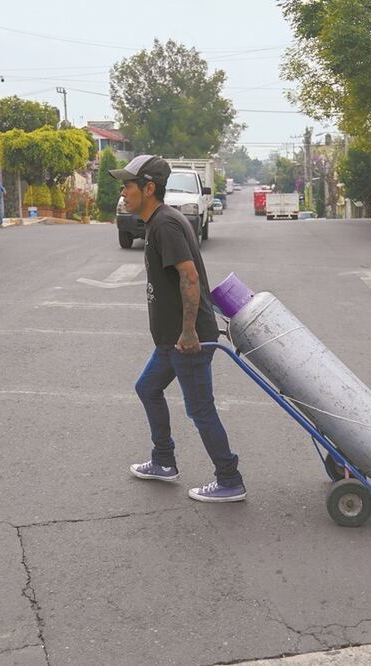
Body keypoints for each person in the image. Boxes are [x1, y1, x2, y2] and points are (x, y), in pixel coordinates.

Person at [110, 154, 247, 503]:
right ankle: (163, 460)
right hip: (172, 339)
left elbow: (189, 277)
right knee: (147, 388)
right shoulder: (158, 221)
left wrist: (189, 333)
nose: (123, 193)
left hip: (188, 339)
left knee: (200, 409)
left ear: (149, 187)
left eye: (128, 185)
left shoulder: (166, 225)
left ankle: (230, 479)